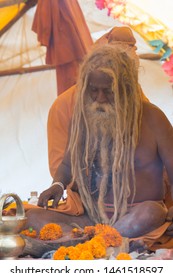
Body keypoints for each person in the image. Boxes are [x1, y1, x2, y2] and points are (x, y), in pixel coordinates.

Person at [26, 44, 173, 239]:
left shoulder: (153, 118)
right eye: (93, 90)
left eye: (108, 90)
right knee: (33, 217)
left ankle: (91, 242)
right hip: (92, 220)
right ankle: (97, 241)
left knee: (152, 212)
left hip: (137, 216)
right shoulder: (83, 119)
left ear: (126, 88)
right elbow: (68, 164)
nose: (100, 98)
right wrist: (58, 185)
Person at [47, 26, 148, 178]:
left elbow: (158, 160)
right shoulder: (63, 107)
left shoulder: (137, 99)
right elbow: (60, 168)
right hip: (85, 199)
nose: (103, 97)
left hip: (139, 196)